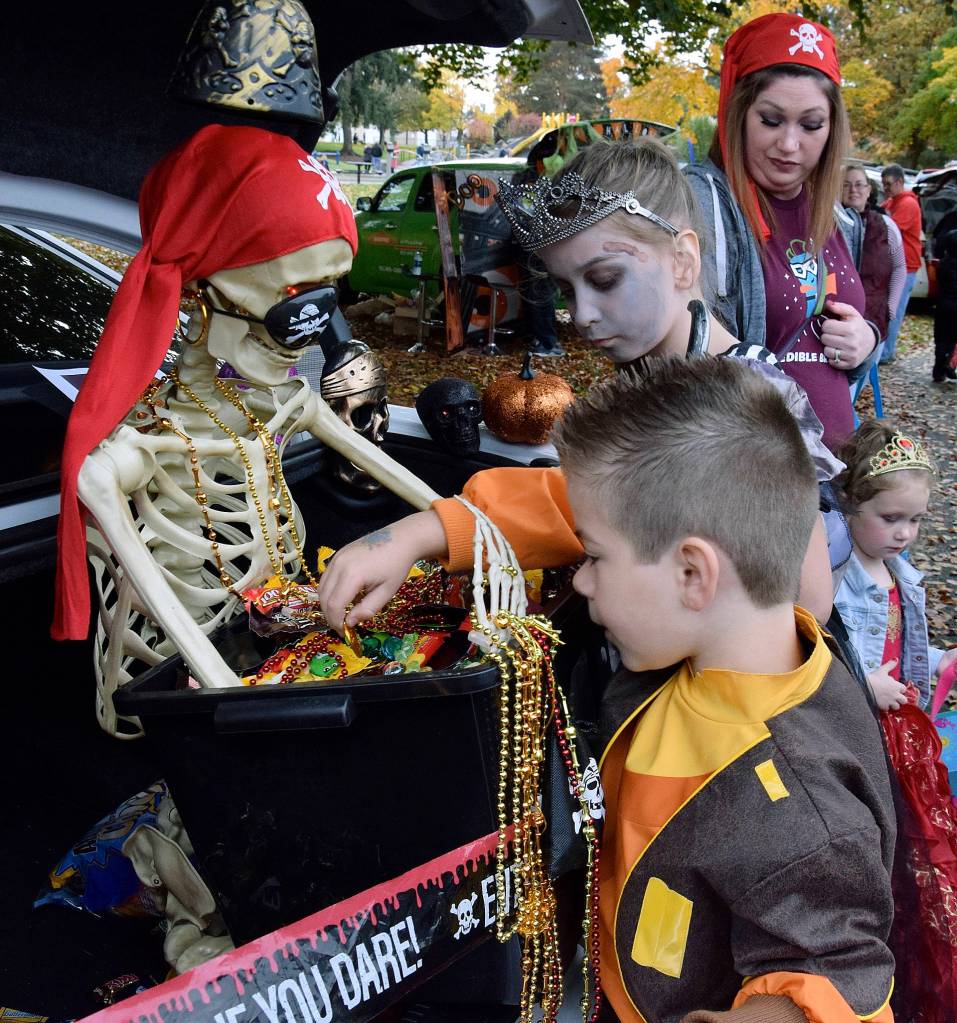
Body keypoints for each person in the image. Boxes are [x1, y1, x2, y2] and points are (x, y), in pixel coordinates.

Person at [320, 358, 897, 1023]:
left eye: (592, 555)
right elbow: (589, 502)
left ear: (691, 572)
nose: (582, 580)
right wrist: (422, 534)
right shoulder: (703, 639)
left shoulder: (799, 810)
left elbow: (835, 979)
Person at [318, 137, 841, 630]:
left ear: (682, 259)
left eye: (605, 279)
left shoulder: (748, 402)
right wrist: (418, 534)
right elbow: (578, 499)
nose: (583, 315)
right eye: (567, 289)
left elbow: (805, 600)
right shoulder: (647, 383)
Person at [684, 13, 881, 451]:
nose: (790, 145)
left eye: (811, 125)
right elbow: (682, 348)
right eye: (771, 120)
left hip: (833, 476)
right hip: (754, 477)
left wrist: (865, 342)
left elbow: (827, 341)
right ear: (739, 115)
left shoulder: (836, 215)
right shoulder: (702, 203)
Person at [832, 421, 957, 1014]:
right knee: (878, 842)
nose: (904, 533)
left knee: (915, 848)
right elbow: (817, 652)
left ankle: (906, 957)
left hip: (905, 739)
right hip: (861, 740)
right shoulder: (835, 581)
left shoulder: (904, 577)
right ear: (849, 503)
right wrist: (863, 683)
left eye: (914, 520)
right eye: (890, 518)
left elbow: (903, 650)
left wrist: (938, 660)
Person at [841, 165, 905, 354]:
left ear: (869, 190)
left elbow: (900, 267)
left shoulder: (886, 226)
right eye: (846, 185)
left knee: (862, 379)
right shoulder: (827, 223)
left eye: (859, 184)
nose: (853, 190)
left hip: (873, 319)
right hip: (835, 321)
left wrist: (890, 310)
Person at [880, 163, 922, 364]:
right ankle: (883, 350)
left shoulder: (907, 204)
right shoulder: (892, 202)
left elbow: (887, 229)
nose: (885, 189)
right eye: (883, 185)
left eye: (888, 185)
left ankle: (887, 353)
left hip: (906, 266)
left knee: (894, 310)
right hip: (893, 265)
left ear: (899, 182)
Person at [933, 228, 957, 383]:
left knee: (941, 339)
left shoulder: (942, 265)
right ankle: (951, 362)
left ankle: (938, 370)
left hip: (943, 305)